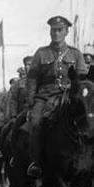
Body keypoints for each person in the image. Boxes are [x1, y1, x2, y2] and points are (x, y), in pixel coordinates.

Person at [25, 15, 87, 178]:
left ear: (66, 32)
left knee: (85, 121)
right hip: (44, 97)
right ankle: (36, 163)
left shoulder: (75, 54)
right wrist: (31, 101)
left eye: (59, 30)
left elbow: (82, 79)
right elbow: (31, 78)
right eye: (53, 30)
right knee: (36, 122)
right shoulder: (41, 53)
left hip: (68, 97)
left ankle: (86, 159)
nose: (55, 33)